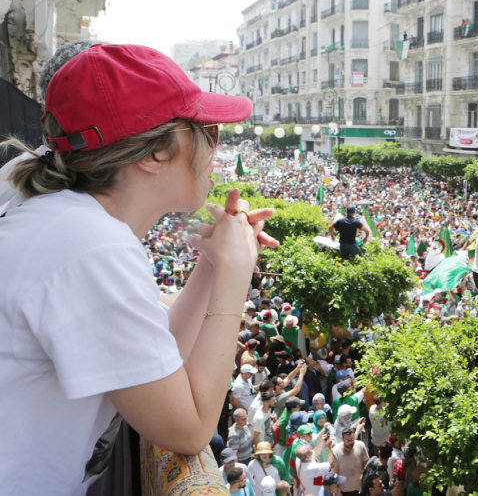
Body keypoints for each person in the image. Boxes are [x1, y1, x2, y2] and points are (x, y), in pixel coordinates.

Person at [0, 43, 276, 494]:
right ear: (154, 154)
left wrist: (211, 265)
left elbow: (156, 350)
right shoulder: (91, 247)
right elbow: (187, 430)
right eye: (207, 131)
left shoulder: (59, 214)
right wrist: (235, 273)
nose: (215, 150)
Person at [333, 427, 370, 496]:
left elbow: (366, 466)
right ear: (342, 439)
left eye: (352, 439)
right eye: (347, 440)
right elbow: (334, 474)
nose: (350, 442)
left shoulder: (360, 446)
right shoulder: (336, 451)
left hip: (360, 487)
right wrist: (338, 493)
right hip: (345, 490)